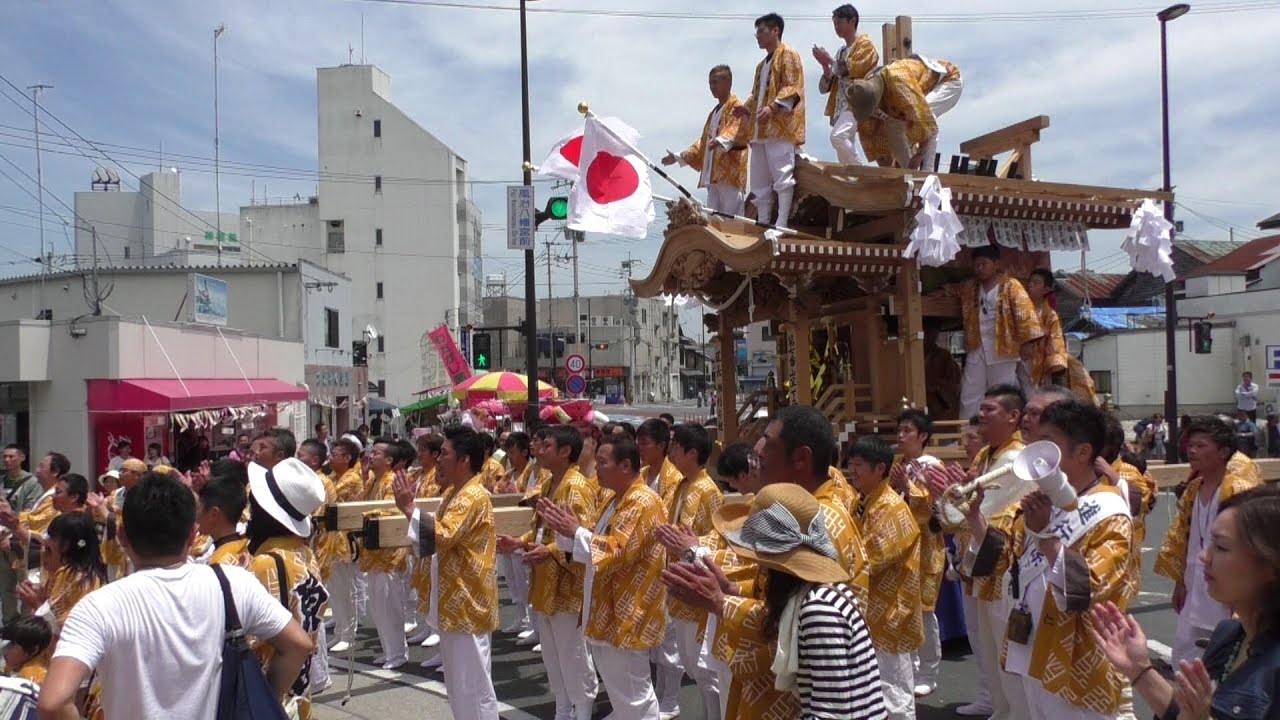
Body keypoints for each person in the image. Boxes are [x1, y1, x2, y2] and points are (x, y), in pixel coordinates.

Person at [39, 471, 314, 720]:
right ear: (193, 534)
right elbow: (298, 644)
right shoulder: (232, 582)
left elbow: (54, 703)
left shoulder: (97, 606)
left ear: (122, 536)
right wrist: (267, 698)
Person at [663, 405, 869, 720]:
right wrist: (732, 587)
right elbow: (783, 591)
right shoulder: (803, 511)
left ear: (800, 458)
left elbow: (798, 620)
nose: (756, 460)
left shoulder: (821, 521)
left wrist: (722, 603)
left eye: (768, 448)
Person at [962, 400, 1133, 720]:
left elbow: (1086, 591)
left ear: (1082, 452)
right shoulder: (1043, 502)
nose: (1039, 452)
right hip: (1030, 647)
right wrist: (974, 516)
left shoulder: (1110, 514)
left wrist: (1046, 537)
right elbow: (1002, 562)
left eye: (1050, 443)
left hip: (1075, 662)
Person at [694, 483, 889, 719]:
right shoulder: (814, 597)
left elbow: (830, 712)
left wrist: (721, 600)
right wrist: (729, 590)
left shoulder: (819, 610)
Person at [1093, 484, 1280, 719]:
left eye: (1221, 547)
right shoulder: (1230, 635)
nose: (1204, 556)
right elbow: (1184, 713)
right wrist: (1139, 669)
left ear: (1270, 565)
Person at [539, 434, 668, 720]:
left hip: (628, 613)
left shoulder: (643, 502)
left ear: (625, 466)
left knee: (635, 698)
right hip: (606, 610)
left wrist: (576, 532)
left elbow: (617, 550)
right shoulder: (614, 499)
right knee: (623, 696)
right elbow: (590, 546)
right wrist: (564, 531)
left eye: (602, 462)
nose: (596, 467)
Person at [927, 384, 1032, 719]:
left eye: (991, 410)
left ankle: (1012, 712)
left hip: (1003, 566)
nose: (981, 416)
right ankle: (998, 708)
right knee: (986, 645)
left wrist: (948, 500)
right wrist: (949, 499)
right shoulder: (988, 455)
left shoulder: (1015, 460)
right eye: (982, 409)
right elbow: (963, 514)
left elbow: (977, 516)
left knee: (1005, 650)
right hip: (981, 562)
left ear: (1013, 417)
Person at [394, 426, 500, 720]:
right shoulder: (457, 493)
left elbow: (443, 536)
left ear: (464, 459)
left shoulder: (472, 496)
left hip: (468, 601)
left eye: (445, 453)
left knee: (473, 685)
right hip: (456, 598)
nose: (438, 459)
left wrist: (409, 509)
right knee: (459, 684)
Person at [496, 426, 598, 720]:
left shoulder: (576, 486)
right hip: (546, 580)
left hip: (568, 585)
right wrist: (521, 543)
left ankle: (583, 709)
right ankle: (563, 707)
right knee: (553, 654)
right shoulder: (551, 483)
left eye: (547, 446)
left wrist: (549, 551)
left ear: (566, 452)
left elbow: (584, 537)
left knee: (573, 653)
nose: (539, 450)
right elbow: (543, 532)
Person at [1155, 415, 1264, 666]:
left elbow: (1253, 547)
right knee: (1185, 661)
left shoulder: (1240, 489)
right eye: (1191, 445)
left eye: (1201, 445)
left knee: (1228, 663)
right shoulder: (1193, 489)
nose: (1192, 450)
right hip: (1195, 587)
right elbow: (1184, 540)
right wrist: (1179, 583)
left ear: (1223, 451)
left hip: (1229, 592)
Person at [844, 435, 922, 719]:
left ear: (880, 469)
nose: (852, 470)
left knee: (894, 690)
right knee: (877, 687)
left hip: (891, 610)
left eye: (859, 465)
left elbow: (871, 558)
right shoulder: (863, 501)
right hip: (871, 607)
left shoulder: (890, 506)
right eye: (851, 463)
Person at [661, 424, 725, 719]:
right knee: (690, 662)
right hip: (679, 585)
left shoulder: (708, 489)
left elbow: (719, 537)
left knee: (704, 666)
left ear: (692, 453)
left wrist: (694, 544)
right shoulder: (681, 485)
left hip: (698, 585)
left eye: (676, 447)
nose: (671, 452)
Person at [733, 12, 805, 232]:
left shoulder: (789, 54)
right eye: (757, 32)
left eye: (761, 31)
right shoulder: (761, 66)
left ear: (776, 31)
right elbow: (757, 95)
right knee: (760, 180)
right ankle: (763, 221)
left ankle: (781, 222)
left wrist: (773, 107)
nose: (757, 36)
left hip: (780, 128)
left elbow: (792, 88)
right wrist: (746, 107)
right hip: (760, 129)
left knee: (782, 174)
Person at [955, 244, 1044, 420]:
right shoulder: (971, 288)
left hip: (1003, 347)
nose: (979, 268)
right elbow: (953, 289)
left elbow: (1026, 315)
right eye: (976, 265)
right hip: (977, 346)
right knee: (969, 393)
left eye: (984, 264)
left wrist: (1027, 343)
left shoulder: (1011, 286)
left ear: (996, 264)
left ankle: (1003, 431)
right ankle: (968, 434)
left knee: (1001, 395)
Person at [893, 409, 945, 697]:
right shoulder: (900, 464)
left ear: (923, 436)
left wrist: (907, 488)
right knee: (907, 608)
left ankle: (929, 671)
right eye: (899, 431)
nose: (901, 436)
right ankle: (911, 666)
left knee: (925, 612)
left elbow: (927, 510)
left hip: (926, 547)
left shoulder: (932, 466)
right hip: (903, 547)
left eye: (907, 431)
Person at [848, 54, 963, 171]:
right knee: (893, 129)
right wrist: (894, 173)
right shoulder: (861, 99)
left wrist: (919, 155)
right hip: (913, 96)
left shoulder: (898, 81)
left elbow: (926, 123)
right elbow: (879, 152)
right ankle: (908, 177)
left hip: (949, 80)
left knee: (928, 112)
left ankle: (926, 176)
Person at [662, 64, 748, 215]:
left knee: (732, 220)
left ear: (727, 82)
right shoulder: (713, 114)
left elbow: (736, 129)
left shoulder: (736, 106)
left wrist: (721, 140)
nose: (712, 87)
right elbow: (703, 143)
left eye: (715, 82)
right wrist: (678, 156)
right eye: (710, 83)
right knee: (714, 220)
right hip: (713, 177)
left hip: (730, 175)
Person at [813, 3, 879, 165]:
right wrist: (824, 65)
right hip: (841, 105)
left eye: (839, 22)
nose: (836, 27)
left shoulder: (865, 45)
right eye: (835, 23)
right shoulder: (841, 51)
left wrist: (828, 60)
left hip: (858, 102)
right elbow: (827, 85)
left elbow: (854, 69)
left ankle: (860, 173)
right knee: (843, 144)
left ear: (852, 21)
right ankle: (852, 182)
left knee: (838, 137)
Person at [1022, 269, 1096, 403]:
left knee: (1036, 400)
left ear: (1046, 289)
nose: (1030, 285)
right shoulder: (1020, 310)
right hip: (1017, 360)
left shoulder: (1050, 315)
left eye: (1036, 282)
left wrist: (1055, 363)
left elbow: (1055, 340)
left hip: (1039, 365)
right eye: (1030, 282)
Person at [319, 438, 364, 655]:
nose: (330, 457)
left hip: (345, 541)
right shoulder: (334, 477)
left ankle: (349, 633)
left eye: (335, 454)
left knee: (346, 590)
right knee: (335, 590)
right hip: (331, 541)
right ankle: (340, 630)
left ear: (347, 458)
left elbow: (327, 497)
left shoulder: (351, 479)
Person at [195, 460, 250, 567]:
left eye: (199, 508)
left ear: (214, 514)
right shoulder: (243, 548)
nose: (196, 516)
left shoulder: (218, 565)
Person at [1, 617, 51, 685]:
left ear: (33, 650)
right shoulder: (13, 665)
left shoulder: (32, 680)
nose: (4, 648)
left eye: (13, 644)